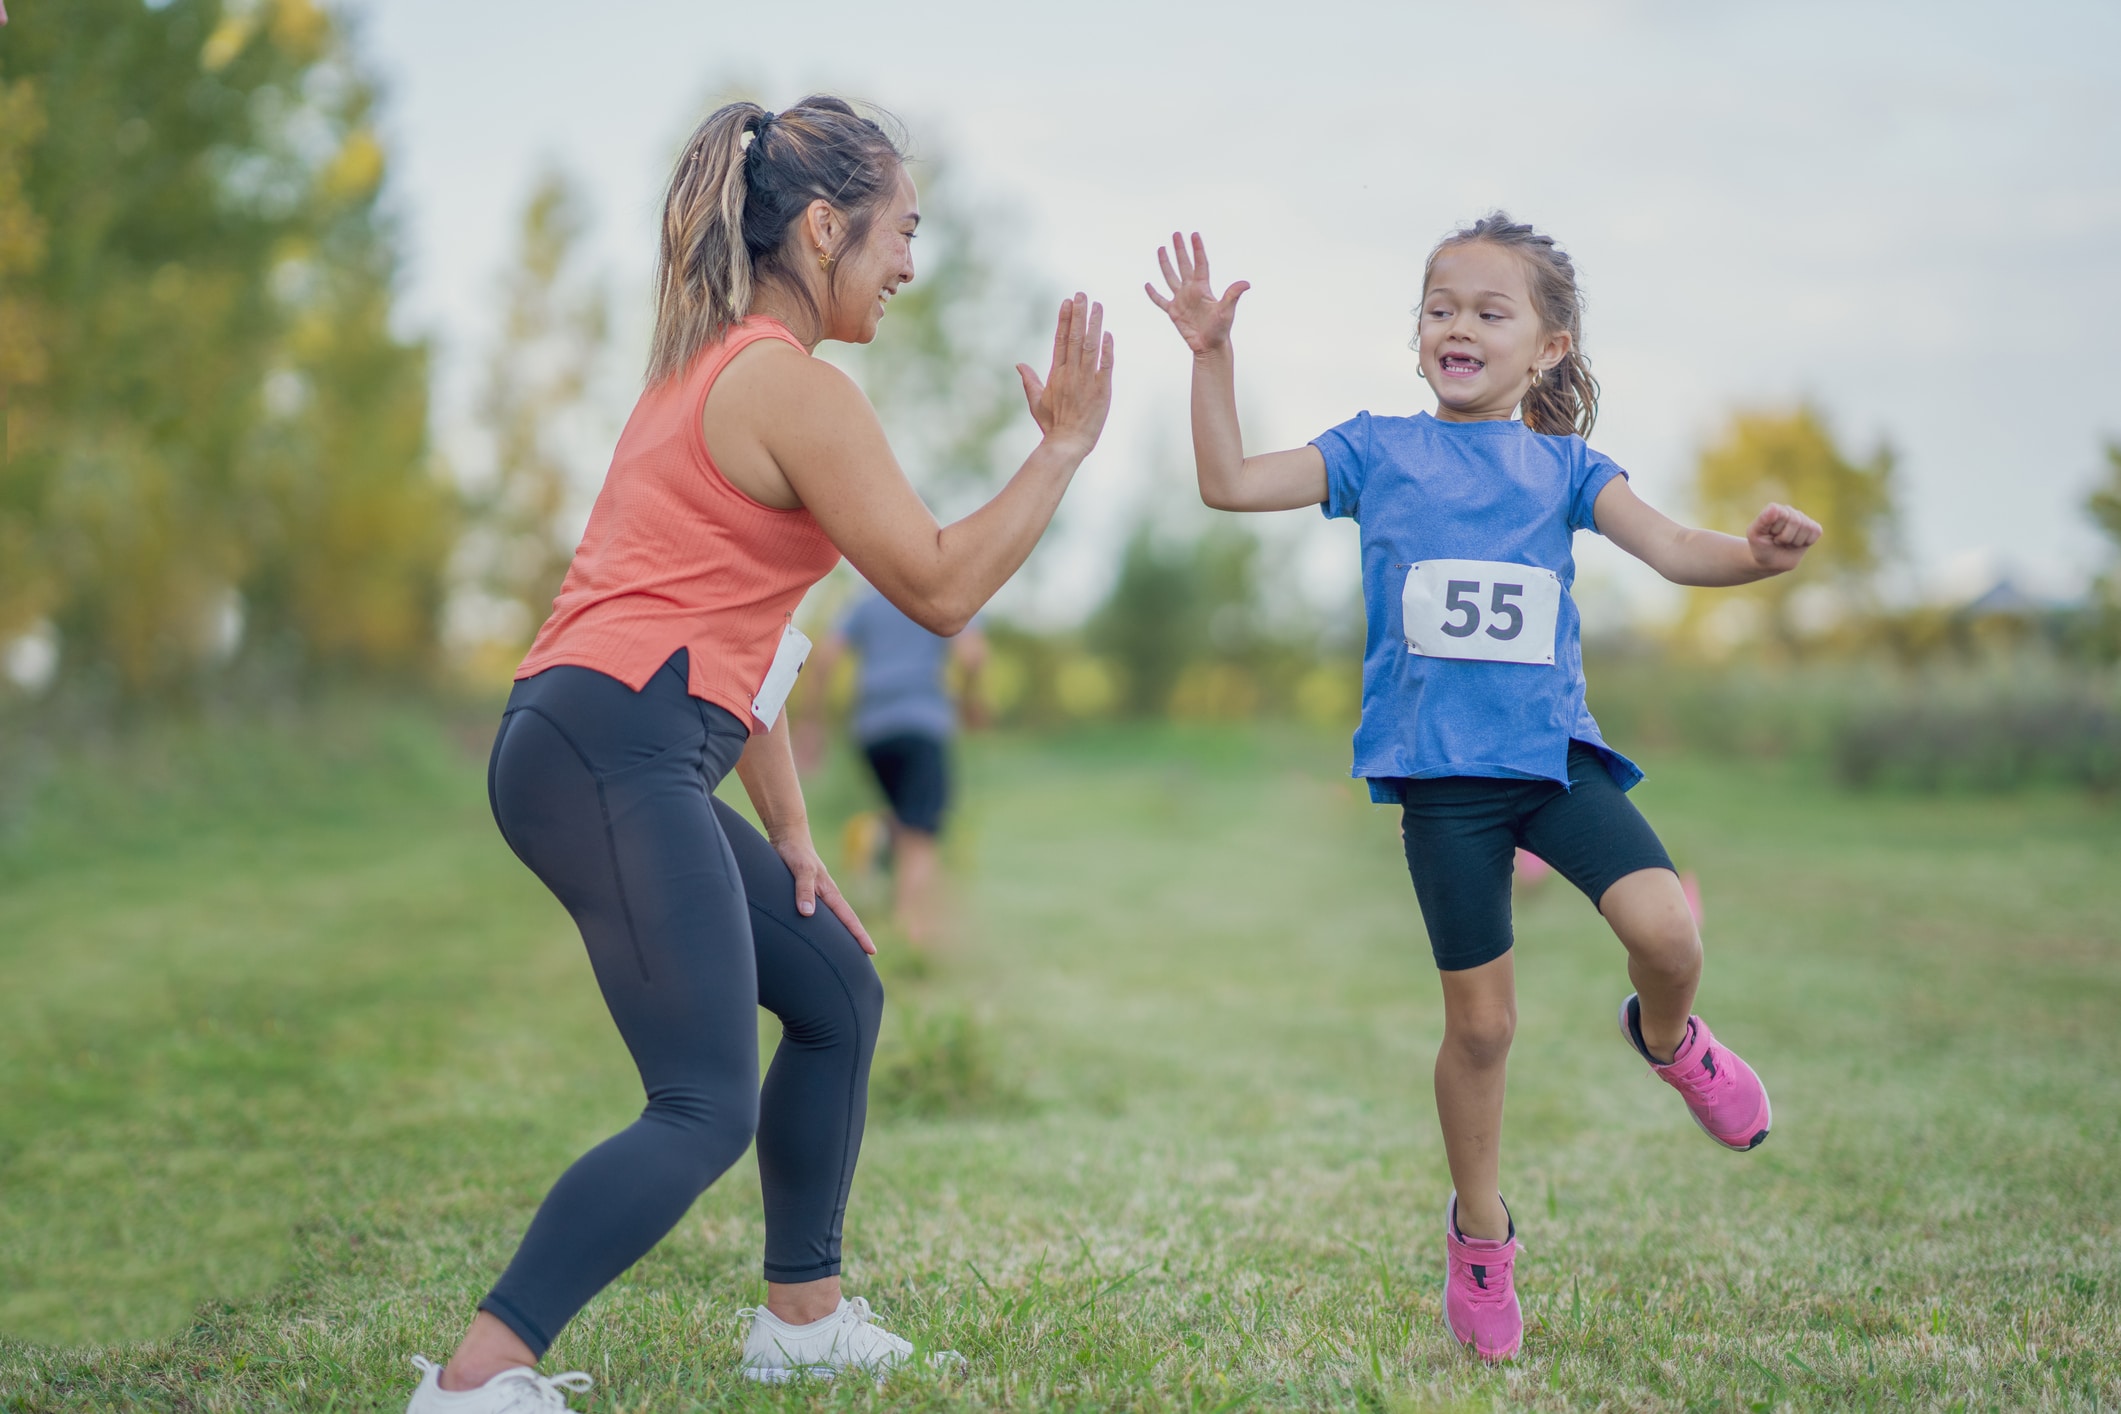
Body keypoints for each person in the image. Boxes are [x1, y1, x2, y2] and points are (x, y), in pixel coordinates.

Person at [404, 96, 1113, 1412]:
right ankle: (474, 1379)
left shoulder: (711, 369)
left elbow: (753, 644)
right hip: (612, 741)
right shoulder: (790, 386)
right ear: (828, 226)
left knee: (837, 986)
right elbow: (943, 587)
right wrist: (1063, 447)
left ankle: (801, 1319)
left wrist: (791, 837)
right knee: (701, 1103)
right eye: (901, 232)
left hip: (614, 734)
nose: (909, 263)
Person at [1145, 217, 1820, 1364]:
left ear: (1548, 347)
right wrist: (1212, 354)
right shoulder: (1375, 451)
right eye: (1440, 307)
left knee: (1669, 928)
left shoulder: (1565, 470)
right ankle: (1482, 1234)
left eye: (1489, 311)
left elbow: (1669, 546)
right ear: (1417, 337)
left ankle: (1669, 1041)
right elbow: (1226, 481)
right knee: (1485, 1027)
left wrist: (1753, 556)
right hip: (1445, 790)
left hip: (1554, 763)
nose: (1458, 325)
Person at [800, 589, 986, 945]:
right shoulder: (945, 594)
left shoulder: (866, 603)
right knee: (921, 833)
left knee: (905, 819)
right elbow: (972, 656)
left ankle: (878, 847)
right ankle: (912, 932)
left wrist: (813, 723)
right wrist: (970, 699)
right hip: (921, 725)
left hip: (871, 732)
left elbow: (824, 657)